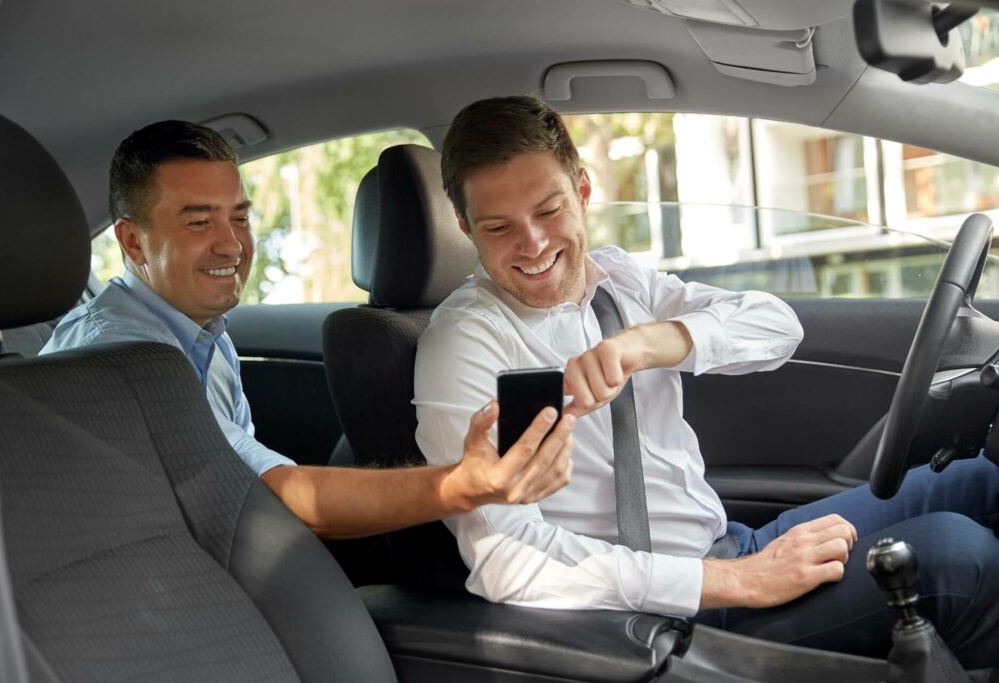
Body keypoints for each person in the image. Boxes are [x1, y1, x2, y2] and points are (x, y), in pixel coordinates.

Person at [413, 95, 999, 667]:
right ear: (465, 226)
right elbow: (509, 559)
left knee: (982, 479)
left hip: (732, 544)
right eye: (499, 227)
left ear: (583, 192)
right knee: (959, 555)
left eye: (548, 211)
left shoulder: (618, 281)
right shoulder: (466, 344)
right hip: (662, 612)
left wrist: (650, 342)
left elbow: (777, 325)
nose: (534, 244)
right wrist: (740, 580)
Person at [42, 119, 575, 540]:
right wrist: (464, 484)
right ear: (132, 242)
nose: (232, 245)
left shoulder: (200, 331)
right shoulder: (121, 358)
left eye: (240, 218)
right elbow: (275, 496)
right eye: (199, 222)